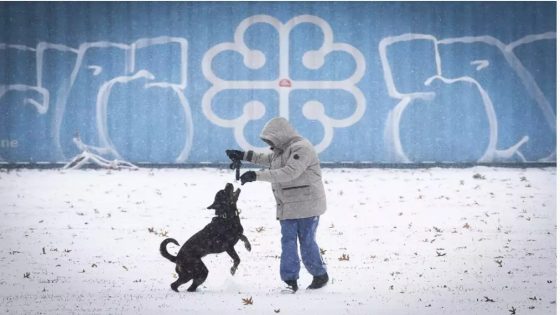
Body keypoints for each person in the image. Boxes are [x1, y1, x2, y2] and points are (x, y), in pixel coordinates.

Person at [226, 117, 329, 292]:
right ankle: (290, 280)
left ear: (281, 136)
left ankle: (319, 275)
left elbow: (289, 172)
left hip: (308, 205)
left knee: (307, 242)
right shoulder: (282, 149)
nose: (270, 146)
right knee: (288, 242)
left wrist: (257, 176)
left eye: (271, 141)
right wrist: (244, 155)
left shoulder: (302, 148)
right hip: (288, 205)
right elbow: (270, 160)